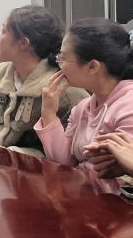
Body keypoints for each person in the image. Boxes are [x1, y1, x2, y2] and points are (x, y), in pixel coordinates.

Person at [0, 5, 87, 157]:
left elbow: (68, 156)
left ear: (23, 43)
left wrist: (13, 156)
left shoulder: (67, 92)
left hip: (29, 171)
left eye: (3, 31)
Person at [35, 18, 133, 173]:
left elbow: (118, 175)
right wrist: (49, 113)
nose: (58, 64)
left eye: (63, 58)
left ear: (92, 66)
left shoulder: (128, 106)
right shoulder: (83, 107)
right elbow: (63, 162)